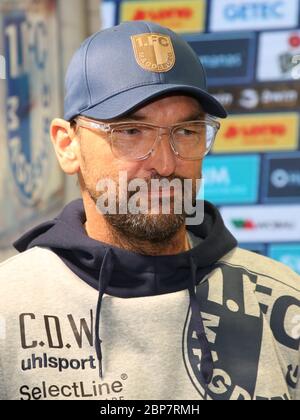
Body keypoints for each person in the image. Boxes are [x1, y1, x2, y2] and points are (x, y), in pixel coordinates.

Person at [0, 21, 299, 401]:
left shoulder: (284, 302)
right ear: (67, 145)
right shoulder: (8, 305)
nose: (165, 163)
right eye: (129, 131)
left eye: (186, 132)